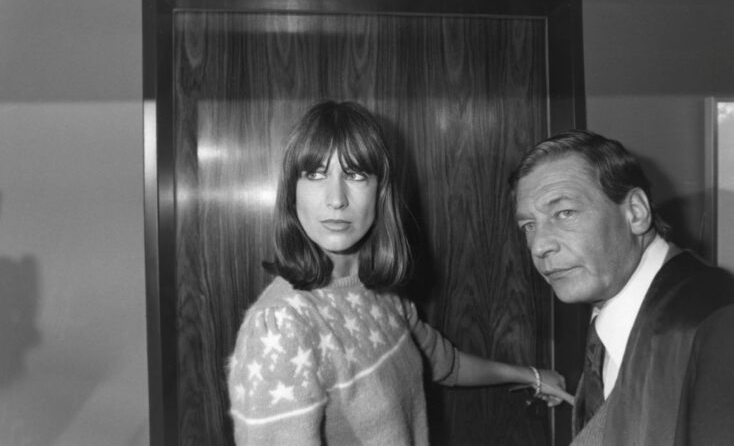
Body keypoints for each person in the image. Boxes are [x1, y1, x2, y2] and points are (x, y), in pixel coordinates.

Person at [227, 100, 571, 445]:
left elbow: (445, 363)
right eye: (315, 174)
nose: (336, 199)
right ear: (292, 193)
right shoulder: (280, 327)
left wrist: (531, 376)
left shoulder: (379, 292)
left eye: (355, 174)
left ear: (380, 192)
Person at [509, 129, 734, 446]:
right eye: (529, 226)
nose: (539, 246)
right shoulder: (612, 313)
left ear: (636, 212)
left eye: (565, 213)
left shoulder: (718, 326)